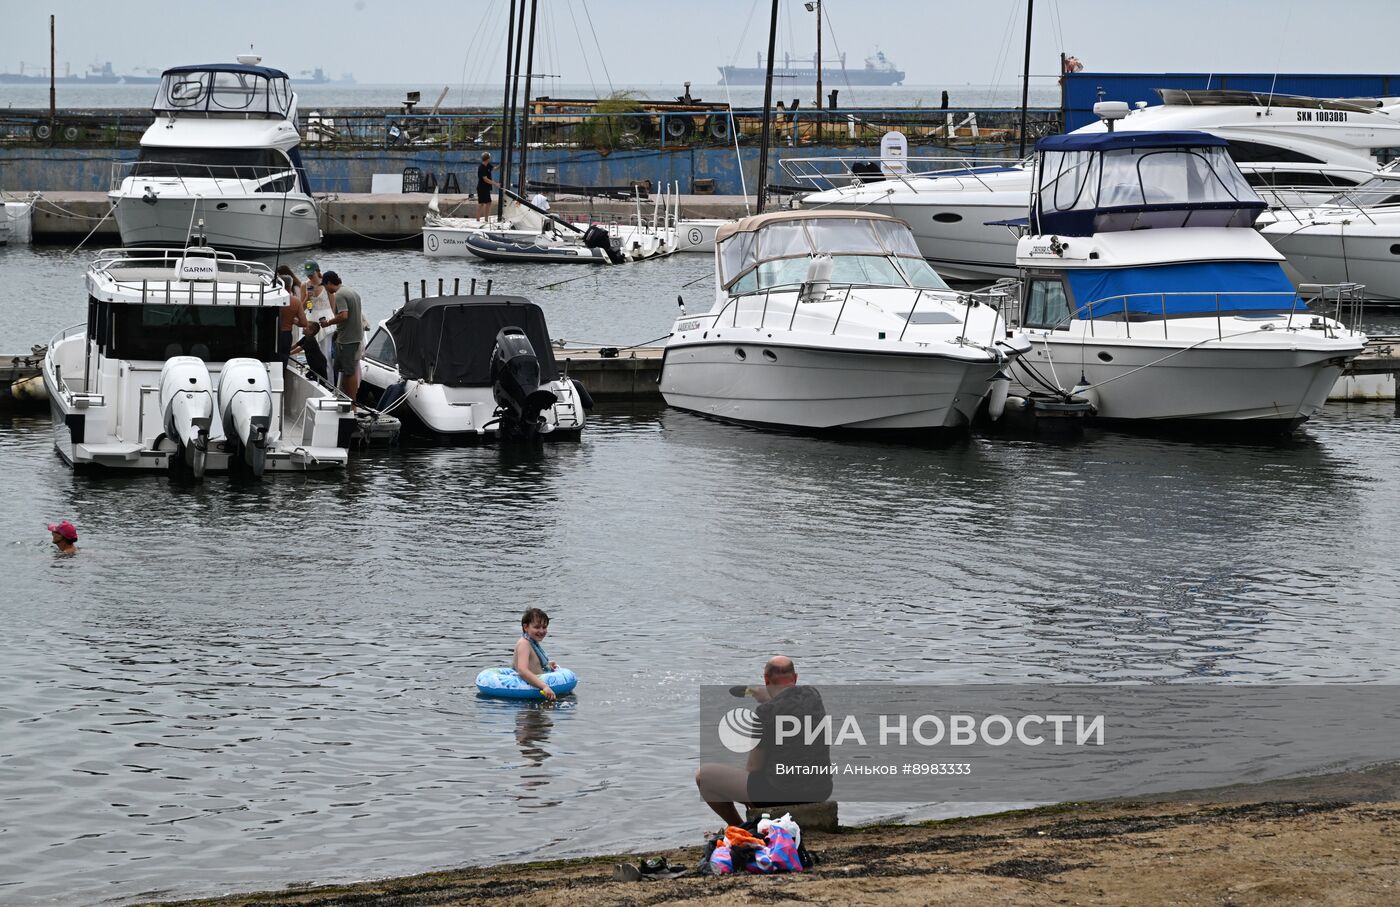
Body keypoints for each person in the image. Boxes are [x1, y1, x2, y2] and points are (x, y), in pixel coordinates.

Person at [695, 656, 831, 827]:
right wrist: (769, 698)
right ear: (795, 678)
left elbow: (754, 768)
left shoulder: (765, 712)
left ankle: (739, 827)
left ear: (766, 679)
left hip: (782, 794)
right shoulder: (813, 695)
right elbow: (788, 704)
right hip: (820, 790)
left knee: (704, 776)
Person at [318, 271, 364, 404]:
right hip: (354, 336)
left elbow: (344, 315)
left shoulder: (339, 295)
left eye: (325, 286)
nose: (325, 289)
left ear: (329, 283)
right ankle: (343, 397)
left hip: (348, 340)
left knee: (349, 372)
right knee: (341, 369)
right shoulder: (352, 291)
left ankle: (352, 404)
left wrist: (328, 323)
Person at [513, 607, 560, 702]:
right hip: (528, 694)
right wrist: (544, 686)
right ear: (526, 627)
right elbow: (522, 670)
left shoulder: (531, 642)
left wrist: (548, 665)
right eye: (537, 627)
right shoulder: (524, 644)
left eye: (544, 627)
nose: (542, 631)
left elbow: (532, 663)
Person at [274, 266, 308, 364]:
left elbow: (307, 304)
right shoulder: (295, 299)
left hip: (273, 332)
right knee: (284, 358)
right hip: (288, 330)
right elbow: (304, 320)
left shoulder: (271, 298)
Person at [476, 151, 499, 219]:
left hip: (486, 188)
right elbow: (485, 179)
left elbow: (494, 169)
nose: (490, 158)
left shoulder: (488, 165)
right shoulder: (482, 168)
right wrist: (495, 183)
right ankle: (477, 220)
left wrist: (501, 165)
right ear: (487, 159)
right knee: (481, 204)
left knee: (488, 203)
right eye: (489, 157)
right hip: (481, 188)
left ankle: (486, 219)